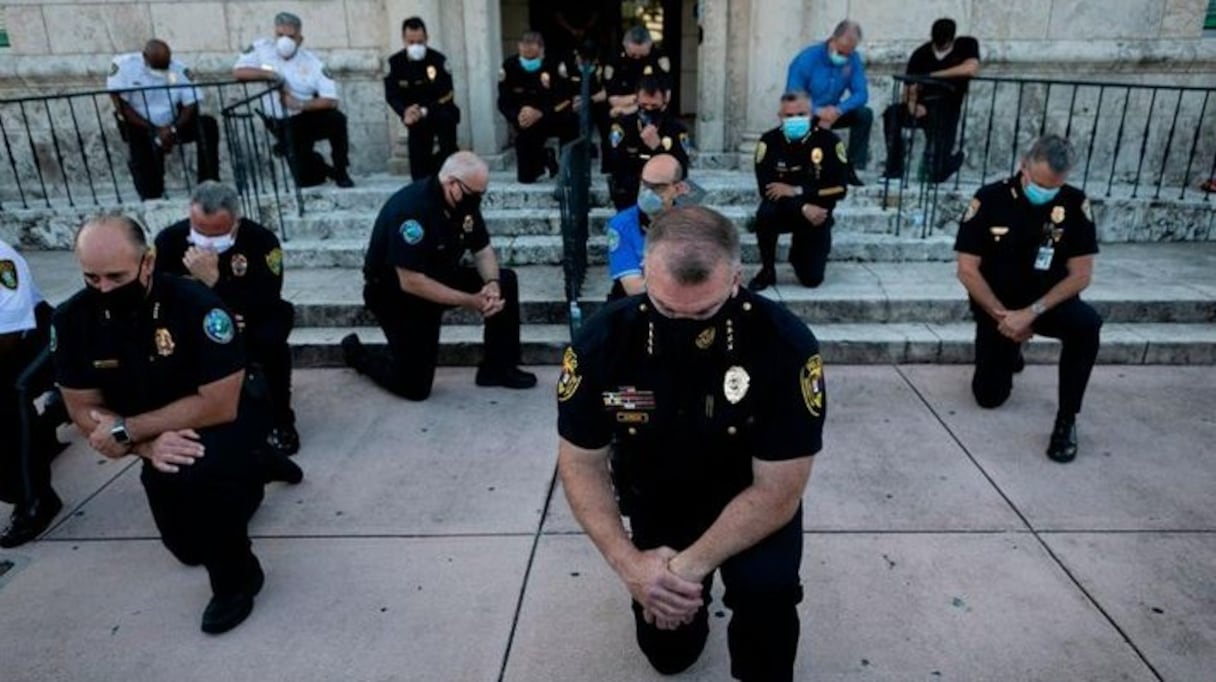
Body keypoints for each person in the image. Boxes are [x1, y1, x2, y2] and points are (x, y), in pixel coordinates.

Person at [557, 205, 824, 681]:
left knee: (768, 599)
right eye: (665, 308)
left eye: (702, 310)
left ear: (737, 278)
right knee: (669, 656)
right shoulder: (602, 342)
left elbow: (781, 489)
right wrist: (634, 567)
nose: (683, 324)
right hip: (659, 499)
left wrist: (684, 570)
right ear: (644, 274)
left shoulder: (784, 345)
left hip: (750, 501)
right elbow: (580, 463)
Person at [52, 214, 271, 634]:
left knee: (198, 474)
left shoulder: (195, 305)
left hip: (231, 412)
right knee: (188, 548)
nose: (104, 289)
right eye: (91, 278)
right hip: (152, 429)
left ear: (147, 262)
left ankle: (239, 579)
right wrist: (143, 444)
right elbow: (83, 407)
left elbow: (219, 403)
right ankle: (259, 468)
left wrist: (131, 430)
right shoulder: (72, 320)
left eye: (116, 276)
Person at [954, 135, 1102, 463]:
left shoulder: (1074, 204)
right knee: (989, 397)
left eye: (1054, 186)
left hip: (1047, 303)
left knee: (1087, 325)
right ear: (1024, 165)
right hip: (999, 306)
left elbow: (1081, 274)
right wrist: (1004, 317)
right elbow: (967, 270)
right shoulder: (990, 199)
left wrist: (1031, 313)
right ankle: (1010, 350)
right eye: (1039, 183)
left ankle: (1067, 419)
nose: (1045, 191)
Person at [342, 152, 537, 399]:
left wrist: (492, 284)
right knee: (414, 387)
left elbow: (483, 250)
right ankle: (359, 355)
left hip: (438, 275)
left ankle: (498, 367)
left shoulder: (462, 202)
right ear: (451, 183)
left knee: (506, 279)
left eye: (481, 193)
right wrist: (472, 301)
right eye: (473, 193)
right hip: (396, 294)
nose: (477, 199)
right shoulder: (412, 210)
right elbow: (411, 281)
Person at [153, 181, 300, 458]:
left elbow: (266, 297)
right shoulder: (169, 243)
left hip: (249, 320)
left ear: (235, 222)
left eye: (217, 233)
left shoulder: (261, 241)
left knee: (273, 333)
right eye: (200, 231)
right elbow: (161, 298)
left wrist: (215, 282)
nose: (207, 242)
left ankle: (281, 419)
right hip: (192, 327)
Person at [233, 11, 354, 188]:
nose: (284, 41)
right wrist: (271, 75)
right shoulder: (262, 49)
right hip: (279, 121)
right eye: (280, 35)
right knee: (305, 181)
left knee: (337, 119)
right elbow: (238, 72)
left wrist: (299, 104)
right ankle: (317, 164)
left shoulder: (312, 62)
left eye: (290, 36)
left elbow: (330, 99)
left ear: (300, 39)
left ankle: (341, 170)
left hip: (303, 116)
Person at [1, 239, 68, 548]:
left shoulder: (3, 259)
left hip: (36, 338)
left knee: (11, 393)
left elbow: (9, 334)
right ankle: (45, 431)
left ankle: (37, 499)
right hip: (10, 348)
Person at [748, 92, 849, 292]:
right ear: (780, 116)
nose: (795, 120)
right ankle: (767, 270)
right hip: (784, 210)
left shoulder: (828, 142)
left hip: (817, 215)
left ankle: (799, 253)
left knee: (811, 279)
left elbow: (839, 189)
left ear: (811, 114)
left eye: (801, 114)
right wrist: (802, 206)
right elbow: (767, 189)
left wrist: (795, 191)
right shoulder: (769, 142)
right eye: (789, 116)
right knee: (765, 214)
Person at [106, 39, 220, 200]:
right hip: (138, 124)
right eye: (157, 66)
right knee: (150, 186)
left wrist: (172, 128)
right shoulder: (125, 66)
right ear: (145, 56)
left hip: (172, 122)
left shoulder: (178, 69)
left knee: (207, 125)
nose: (161, 70)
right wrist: (154, 130)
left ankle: (209, 185)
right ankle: (151, 192)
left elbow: (190, 103)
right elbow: (120, 104)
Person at [882, 18, 979, 183]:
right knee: (892, 114)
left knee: (937, 174)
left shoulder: (966, 45)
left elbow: (970, 68)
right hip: (922, 104)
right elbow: (909, 85)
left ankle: (948, 162)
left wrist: (932, 76)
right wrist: (912, 105)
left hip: (948, 107)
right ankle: (894, 167)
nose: (941, 47)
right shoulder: (921, 53)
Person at [786, 20, 870, 185]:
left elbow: (861, 94)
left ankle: (850, 168)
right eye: (841, 52)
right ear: (832, 40)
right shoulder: (807, 59)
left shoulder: (853, 59)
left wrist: (838, 110)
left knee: (864, 115)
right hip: (808, 111)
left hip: (833, 112)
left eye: (849, 53)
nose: (844, 57)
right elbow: (793, 96)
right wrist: (818, 111)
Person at [384, 16, 460, 181]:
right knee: (418, 168)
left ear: (427, 39)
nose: (416, 46)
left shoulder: (439, 60)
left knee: (448, 151)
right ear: (404, 40)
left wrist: (425, 110)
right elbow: (392, 94)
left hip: (439, 112)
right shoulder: (395, 63)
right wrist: (404, 112)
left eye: (420, 41)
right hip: (413, 116)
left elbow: (447, 93)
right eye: (411, 42)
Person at [497, 31, 577, 184]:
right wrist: (517, 116)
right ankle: (544, 158)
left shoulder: (554, 64)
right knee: (525, 179)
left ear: (541, 50)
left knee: (571, 121)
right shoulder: (510, 66)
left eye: (532, 55)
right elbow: (503, 101)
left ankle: (568, 168)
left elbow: (565, 97)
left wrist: (541, 113)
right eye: (524, 54)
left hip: (551, 116)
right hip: (525, 120)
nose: (528, 58)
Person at [606, 154, 688, 299]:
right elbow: (634, 288)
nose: (648, 193)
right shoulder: (622, 225)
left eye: (658, 188)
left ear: (677, 189)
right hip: (638, 307)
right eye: (645, 184)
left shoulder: (691, 223)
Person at [606, 76, 690, 210]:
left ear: (664, 102)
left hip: (664, 196)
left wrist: (658, 148)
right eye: (644, 105)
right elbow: (614, 164)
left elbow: (682, 170)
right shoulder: (623, 126)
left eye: (654, 106)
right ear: (636, 101)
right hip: (631, 193)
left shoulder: (676, 129)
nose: (649, 109)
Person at [604, 26, 672, 121]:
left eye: (642, 55)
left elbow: (665, 98)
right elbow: (614, 100)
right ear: (624, 45)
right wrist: (644, 99)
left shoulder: (659, 59)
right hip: (623, 118)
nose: (637, 58)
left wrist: (629, 107)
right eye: (633, 55)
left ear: (650, 45)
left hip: (654, 116)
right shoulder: (615, 61)